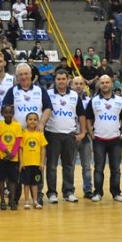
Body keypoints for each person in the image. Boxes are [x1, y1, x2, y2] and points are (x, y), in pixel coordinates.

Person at [44, 69, 87, 204]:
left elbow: (81, 115)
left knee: (68, 165)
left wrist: (83, 132)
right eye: (59, 79)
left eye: (63, 79)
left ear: (68, 80)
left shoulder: (74, 95)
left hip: (69, 135)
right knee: (51, 166)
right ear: (55, 80)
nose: (61, 81)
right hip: (52, 134)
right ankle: (52, 193)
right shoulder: (48, 94)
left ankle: (68, 192)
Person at [86, 74, 122, 203]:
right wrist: (92, 135)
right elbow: (88, 119)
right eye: (102, 83)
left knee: (116, 169)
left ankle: (116, 193)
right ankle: (98, 192)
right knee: (99, 169)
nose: (104, 85)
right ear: (99, 85)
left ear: (111, 84)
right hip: (99, 140)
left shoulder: (120, 100)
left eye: (107, 82)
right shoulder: (93, 101)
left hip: (116, 140)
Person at [2, 63, 52, 127]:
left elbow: (48, 108)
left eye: (26, 74)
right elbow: (5, 109)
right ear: (17, 77)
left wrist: (41, 123)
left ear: (30, 74)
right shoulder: (12, 91)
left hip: (36, 131)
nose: (23, 77)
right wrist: (16, 126)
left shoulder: (41, 89)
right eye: (20, 74)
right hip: (17, 131)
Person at [0, 104, 23, 210]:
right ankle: (2, 200)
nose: (8, 114)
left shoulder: (17, 126)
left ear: (13, 113)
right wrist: (6, 152)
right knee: (1, 179)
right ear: (2, 113)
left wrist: (13, 153)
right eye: (6, 112)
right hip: (2, 157)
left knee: (12, 180)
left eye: (10, 112)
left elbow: (18, 141)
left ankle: (12, 200)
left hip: (13, 158)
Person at [19, 112, 47, 210]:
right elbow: (20, 149)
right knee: (26, 183)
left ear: (38, 121)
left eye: (35, 119)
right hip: (26, 164)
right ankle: (27, 201)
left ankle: (35, 201)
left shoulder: (40, 134)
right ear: (26, 121)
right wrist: (21, 162)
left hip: (36, 163)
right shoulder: (23, 133)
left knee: (35, 183)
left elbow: (43, 148)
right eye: (30, 119)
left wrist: (42, 162)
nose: (32, 121)